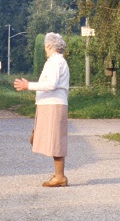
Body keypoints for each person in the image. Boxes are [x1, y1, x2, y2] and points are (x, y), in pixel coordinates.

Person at [14, 32, 71, 187]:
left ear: (49, 46)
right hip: (49, 104)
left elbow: (51, 84)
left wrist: (28, 86)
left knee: (56, 140)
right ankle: (59, 175)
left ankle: (60, 177)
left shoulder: (55, 62)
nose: (45, 49)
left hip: (53, 105)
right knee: (47, 138)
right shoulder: (56, 61)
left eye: (45, 46)